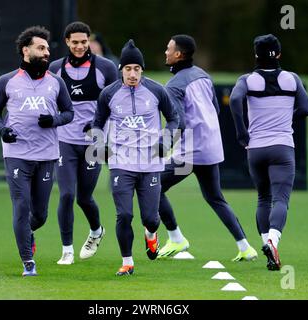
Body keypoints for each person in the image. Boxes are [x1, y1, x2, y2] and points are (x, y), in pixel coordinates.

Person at [158, 34, 258, 262]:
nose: (165, 52)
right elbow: (215, 108)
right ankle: (245, 247)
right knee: (215, 198)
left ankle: (175, 238)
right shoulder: (203, 75)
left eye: (168, 49)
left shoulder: (173, 85)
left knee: (152, 186)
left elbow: (179, 122)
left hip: (189, 154)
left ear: (178, 54)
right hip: (211, 148)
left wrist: (162, 146)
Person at [88, 39, 179, 276]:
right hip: (121, 163)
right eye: (128, 69)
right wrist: (101, 148)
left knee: (151, 218)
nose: (132, 74)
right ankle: (127, 262)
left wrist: (165, 142)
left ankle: (151, 235)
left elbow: (174, 119)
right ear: (121, 70)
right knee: (125, 214)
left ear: (142, 70)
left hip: (150, 164)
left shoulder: (157, 90)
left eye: (136, 69)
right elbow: (97, 123)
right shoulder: (108, 94)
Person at [0, 26, 74, 276]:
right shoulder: (6, 81)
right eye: (41, 47)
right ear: (26, 50)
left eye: (47, 48)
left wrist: (54, 121)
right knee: (21, 206)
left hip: (47, 155)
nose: (47, 52)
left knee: (40, 215)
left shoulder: (56, 82)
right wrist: (2, 129)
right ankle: (28, 262)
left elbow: (69, 113)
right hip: (17, 154)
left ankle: (27, 233)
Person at [229, 34, 308, 270]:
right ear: (279, 54)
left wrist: (241, 131)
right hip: (282, 147)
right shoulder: (292, 79)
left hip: (255, 148)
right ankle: (273, 241)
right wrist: (287, 118)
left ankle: (267, 246)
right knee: (280, 199)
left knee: (263, 197)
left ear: (255, 55)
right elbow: (306, 108)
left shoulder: (247, 80)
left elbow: (235, 100)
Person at [48, 22, 118, 265]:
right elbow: (47, 101)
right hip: (64, 141)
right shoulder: (55, 69)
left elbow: (114, 102)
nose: (79, 46)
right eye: (75, 42)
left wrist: (100, 127)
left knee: (84, 198)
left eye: (83, 42)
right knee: (66, 194)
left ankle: (97, 231)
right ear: (67, 42)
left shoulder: (106, 68)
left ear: (89, 41)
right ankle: (67, 250)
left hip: (93, 143)